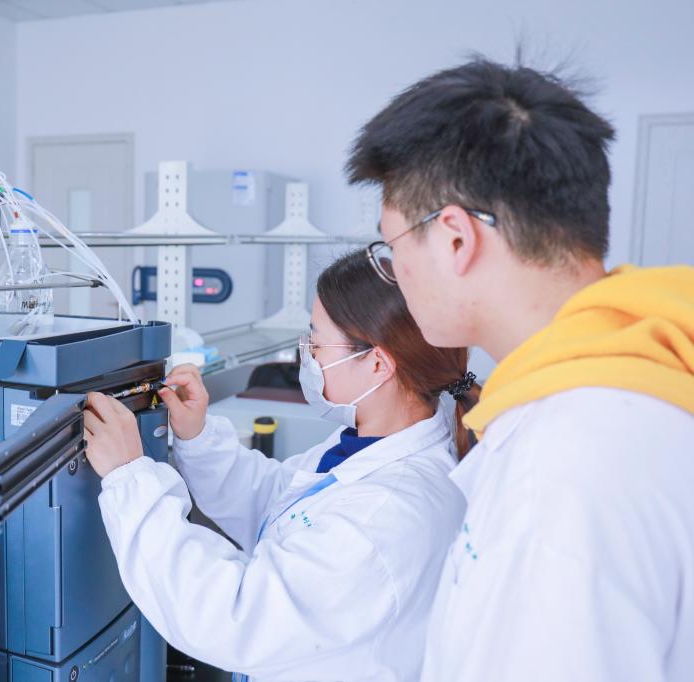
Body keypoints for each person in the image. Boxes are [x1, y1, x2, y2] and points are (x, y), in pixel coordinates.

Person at [345, 57, 694, 681]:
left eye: (391, 248)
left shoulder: (568, 466)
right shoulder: (642, 380)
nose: (394, 274)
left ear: (455, 238)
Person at [84, 249, 474, 681]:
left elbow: (232, 618)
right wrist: (198, 436)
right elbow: (279, 501)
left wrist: (130, 478)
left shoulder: (384, 519)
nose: (306, 354)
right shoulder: (378, 437)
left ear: (378, 364)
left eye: (316, 343)